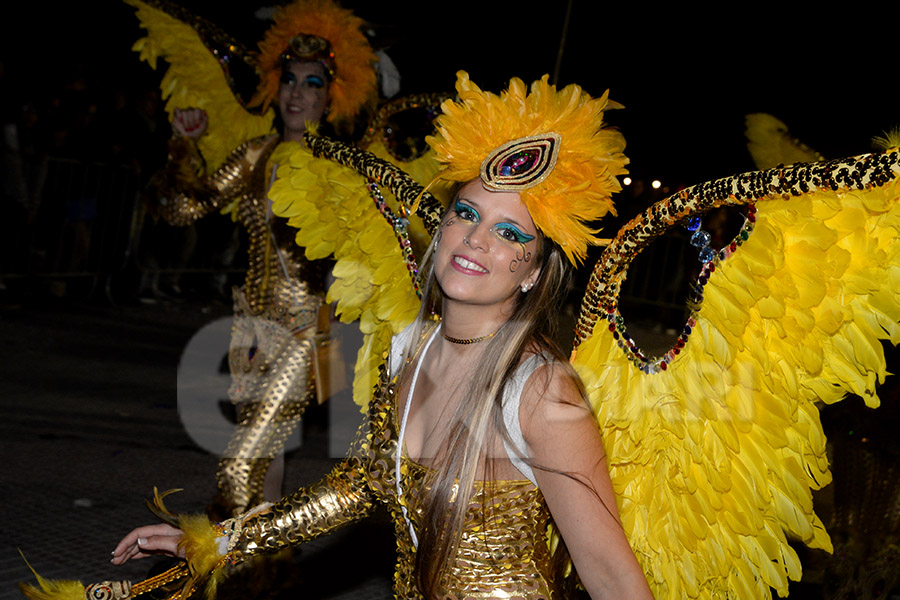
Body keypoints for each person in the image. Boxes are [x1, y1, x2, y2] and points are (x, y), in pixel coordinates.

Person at [108, 72, 654, 599]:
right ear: (440, 229)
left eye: (508, 232)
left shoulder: (539, 391)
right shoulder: (410, 350)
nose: (476, 238)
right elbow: (359, 486)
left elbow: (611, 578)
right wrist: (217, 541)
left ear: (533, 270)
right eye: (466, 214)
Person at [137, 0, 379, 517]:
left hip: (309, 327)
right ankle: (267, 574)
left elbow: (367, 252)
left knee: (239, 461)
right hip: (250, 330)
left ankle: (236, 567)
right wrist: (182, 147)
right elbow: (182, 210)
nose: (297, 92)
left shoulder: (339, 166)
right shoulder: (254, 155)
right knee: (270, 457)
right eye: (290, 79)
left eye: (312, 83)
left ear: (330, 96)